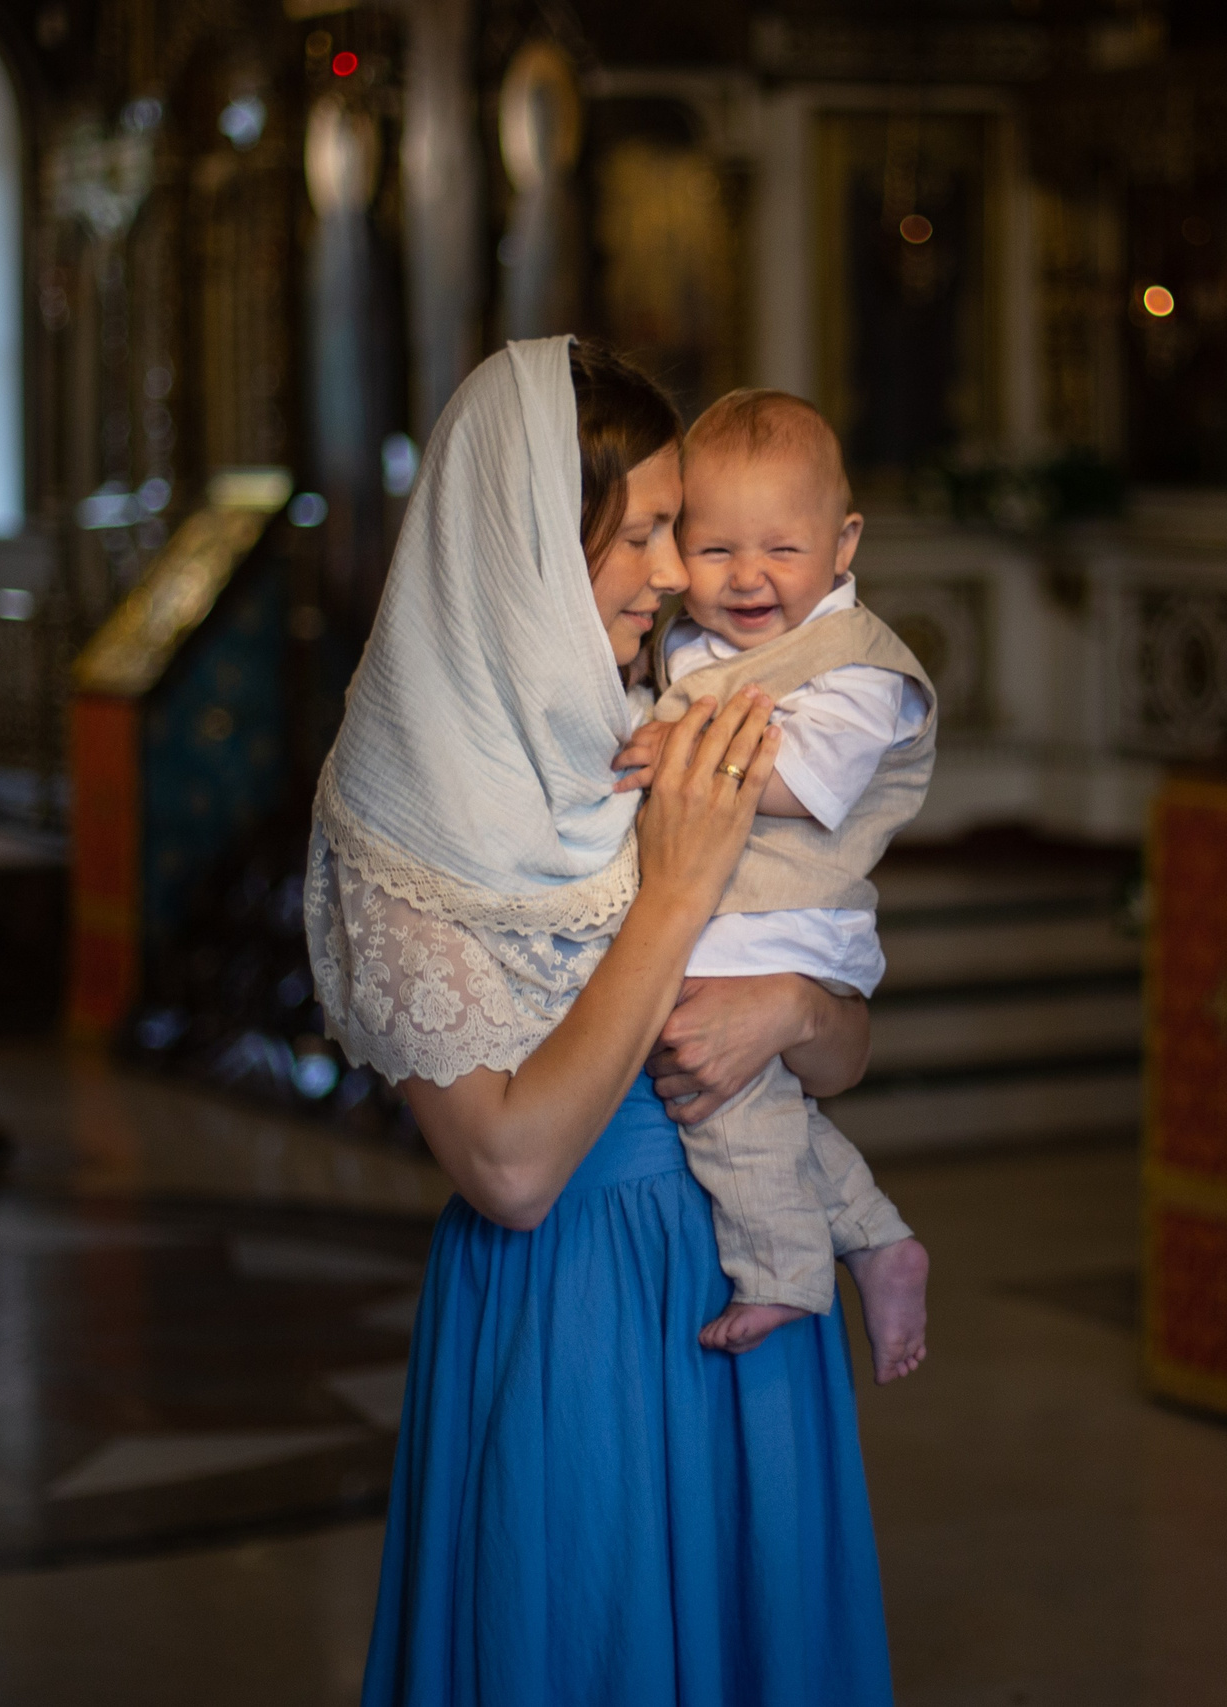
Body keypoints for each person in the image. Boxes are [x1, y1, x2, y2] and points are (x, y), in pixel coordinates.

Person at [305, 336, 896, 1704]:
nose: (683, 573)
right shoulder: (401, 812)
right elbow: (510, 1168)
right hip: (577, 1304)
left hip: (754, 1284)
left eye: (674, 529)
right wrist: (676, 893)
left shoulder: (675, 711)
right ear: (524, 541)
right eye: (640, 534)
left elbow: (843, 1050)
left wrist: (795, 1005)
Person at [611, 388, 932, 1382]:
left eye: (782, 552)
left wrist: (675, 751)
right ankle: (876, 1238)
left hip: (780, 927)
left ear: (843, 545)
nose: (748, 579)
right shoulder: (694, 646)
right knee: (766, 1108)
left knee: (723, 1106)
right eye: (715, 552)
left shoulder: (857, 668)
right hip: (730, 920)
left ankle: (786, 1271)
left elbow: (803, 778)